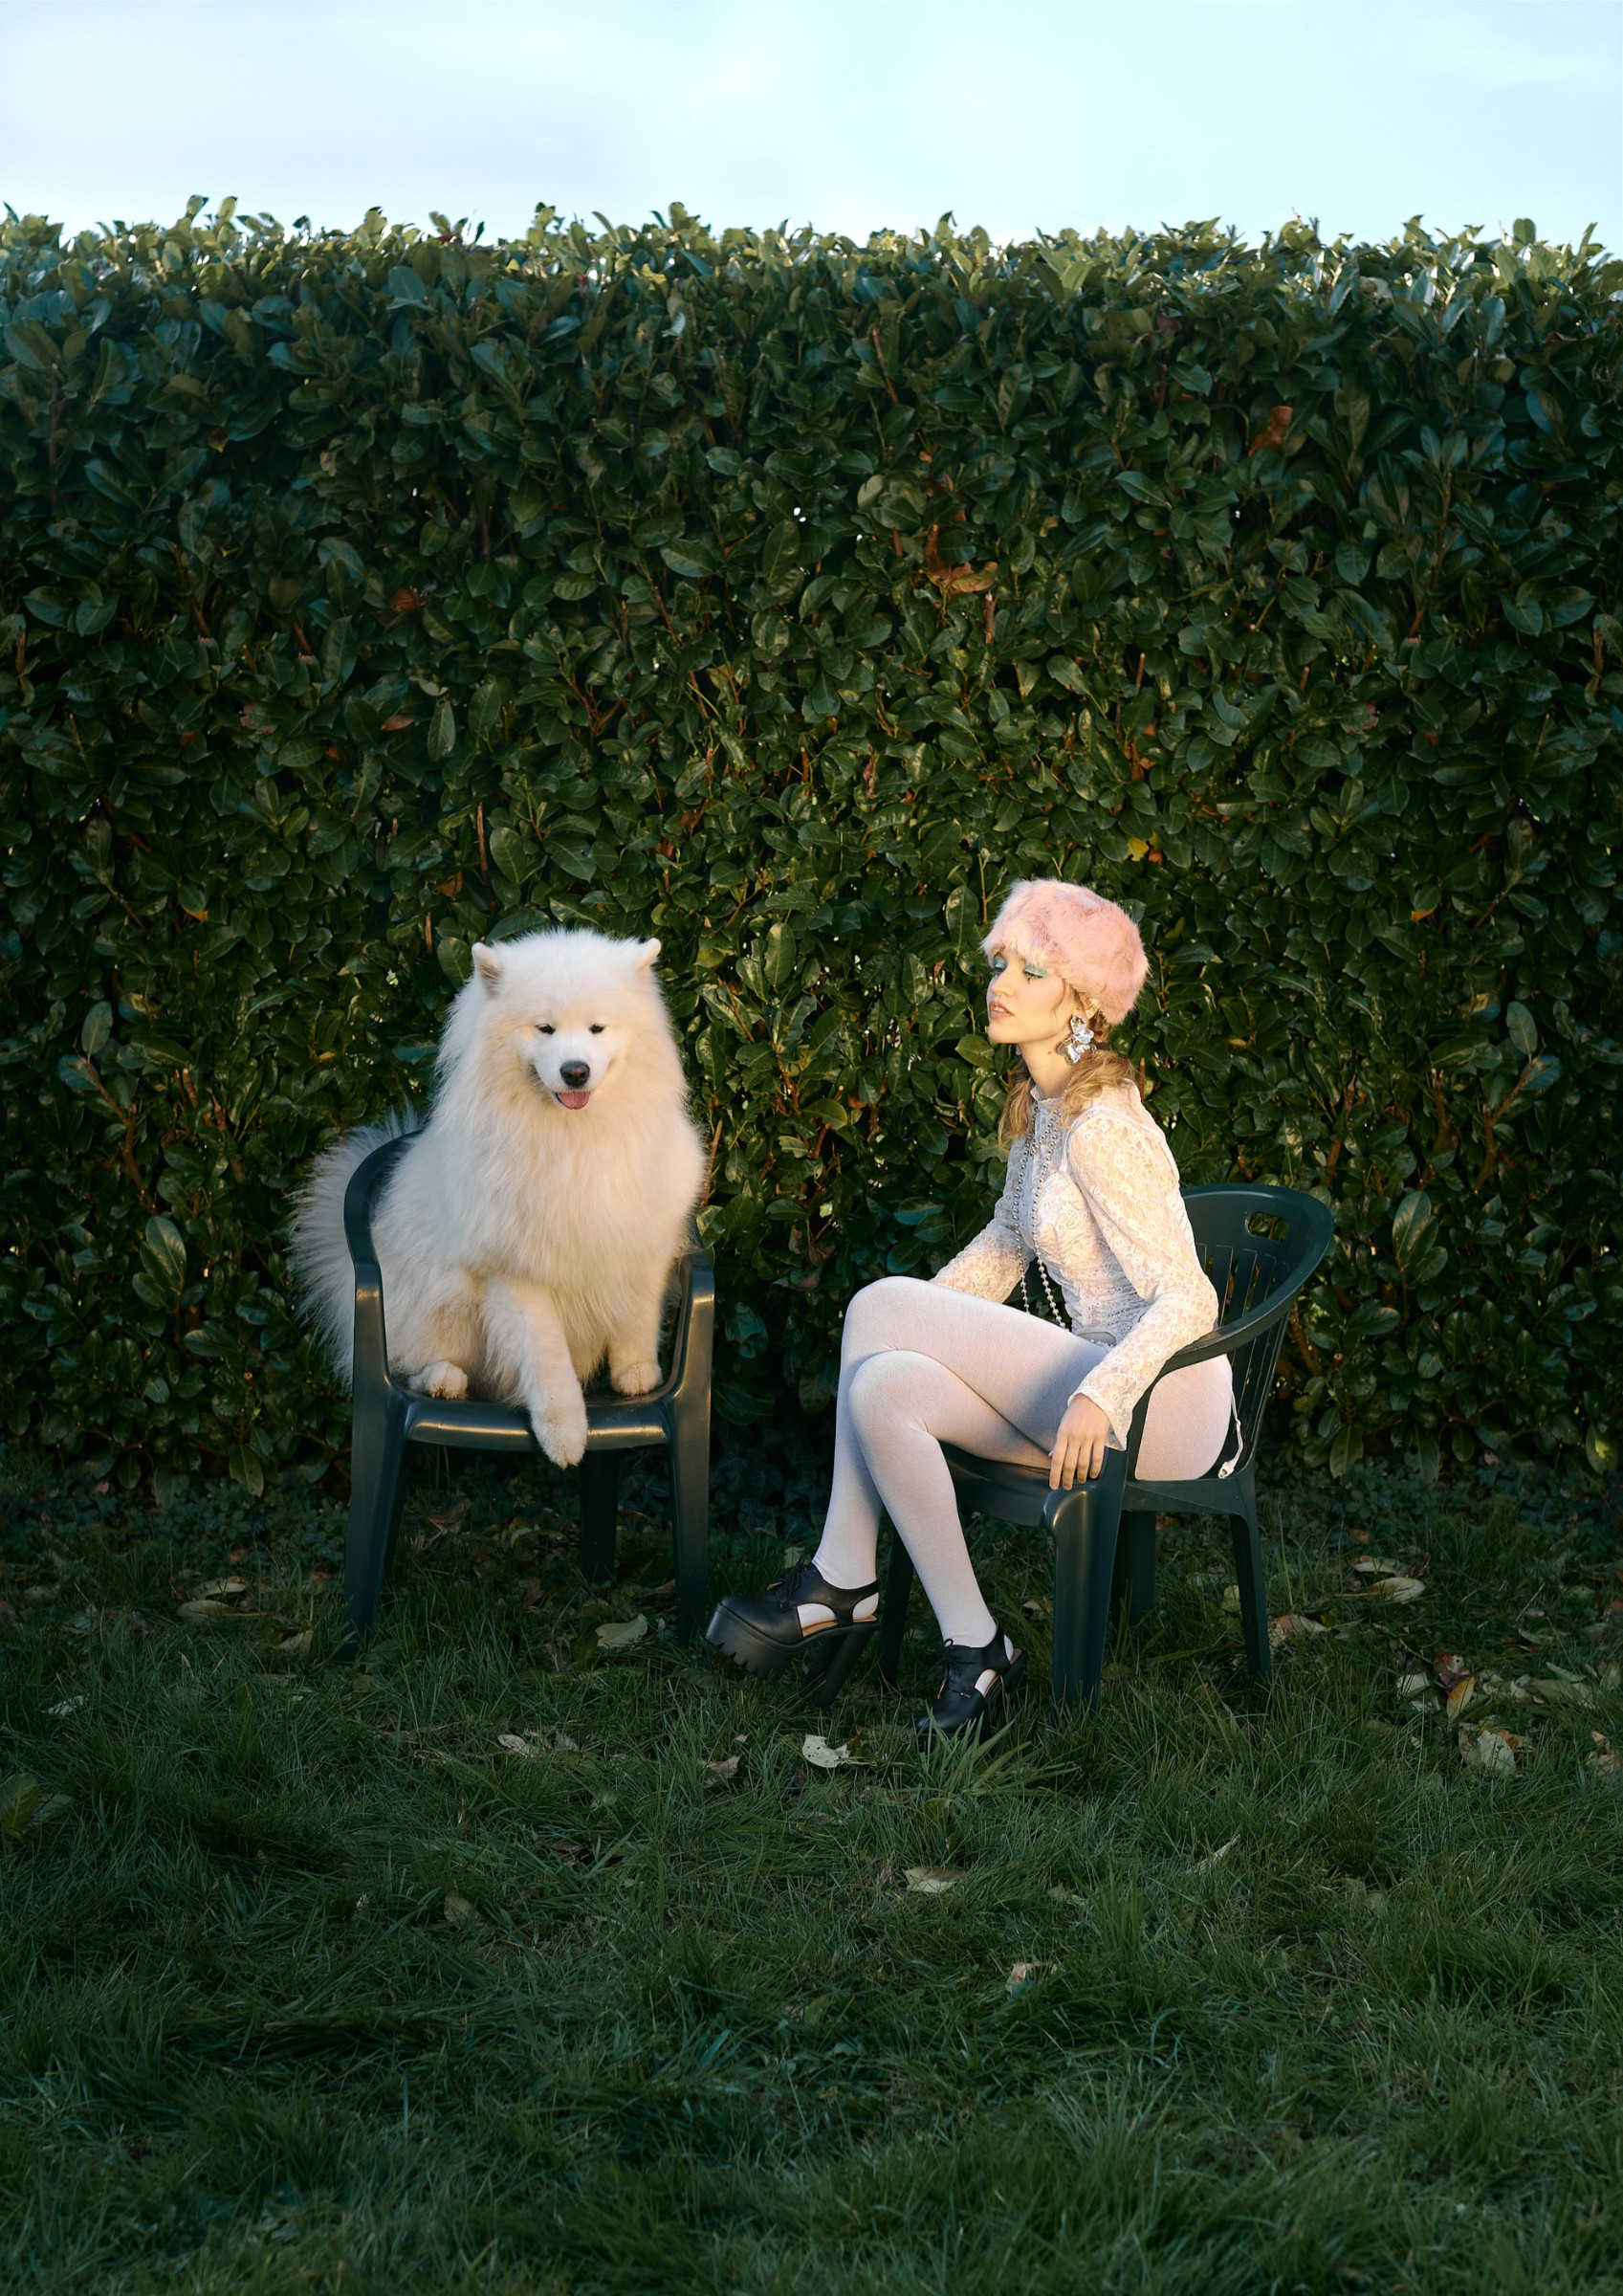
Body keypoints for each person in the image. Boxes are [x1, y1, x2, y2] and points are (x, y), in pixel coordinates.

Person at [704, 877, 1239, 1741]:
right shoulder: (1045, 1111)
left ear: (1083, 1001)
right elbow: (1002, 1246)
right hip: (1086, 1383)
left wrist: (1102, 1395)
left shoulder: (1102, 1127)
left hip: (1159, 1405)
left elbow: (1190, 1295)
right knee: (885, 1385)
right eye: (1003, 964)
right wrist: (920, 1329)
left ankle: (842, 1576)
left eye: (1033, 971)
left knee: (879, 1306)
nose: (1002, 984)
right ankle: (978, 1649)